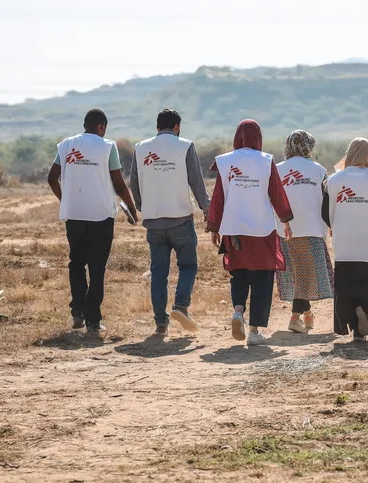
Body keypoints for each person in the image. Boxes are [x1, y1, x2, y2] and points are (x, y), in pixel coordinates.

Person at [48, 109, 138, 335]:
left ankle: (78, 310)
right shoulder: (107, 146)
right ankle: (93, 320)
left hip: (74, 214)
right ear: (102, 126)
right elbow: (118, 182)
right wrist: (132, 208)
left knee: (76, 263)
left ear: (85, 124)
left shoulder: (66, 145)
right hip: (101, 215)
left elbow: (51, 178)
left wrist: (65, 199)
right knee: (97, 267)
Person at [206, 119, 294, 346]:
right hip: (261, 228)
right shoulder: (266, 161)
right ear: (259, 138)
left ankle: (238, 312)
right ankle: (254, 331)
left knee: (239, 273)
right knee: (263, 277)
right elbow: (277, 192)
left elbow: (218, 197)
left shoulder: (225, 162)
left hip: (233, 229)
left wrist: (214, 226)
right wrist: (285, 219)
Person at [130, 108, 210, 336]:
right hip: (180, 220)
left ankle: (160, 323)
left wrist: (142, 206)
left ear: (157, 127)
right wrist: (207, 209)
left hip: (154, 221)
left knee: (158, 273)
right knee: (188, 266)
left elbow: (134, 183)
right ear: (176, 127)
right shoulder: (185, 145)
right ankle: (181, 306)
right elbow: (197, 182)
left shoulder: (141, 148)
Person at [322, 137, 368, 339]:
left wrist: (334, 225)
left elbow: (324, 212)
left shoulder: (333, 180)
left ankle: (354, 323)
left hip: (344, 245)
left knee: (346, 288)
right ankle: (364, 320)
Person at [275, 130, 333, 333]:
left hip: (284, 230)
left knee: (299, 275)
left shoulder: (277, 169)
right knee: (306, 275)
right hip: (313, 229)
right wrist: (331, 224)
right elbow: (328, 201)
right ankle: (295, 317)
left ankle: (306, 315)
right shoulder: (319, 170)